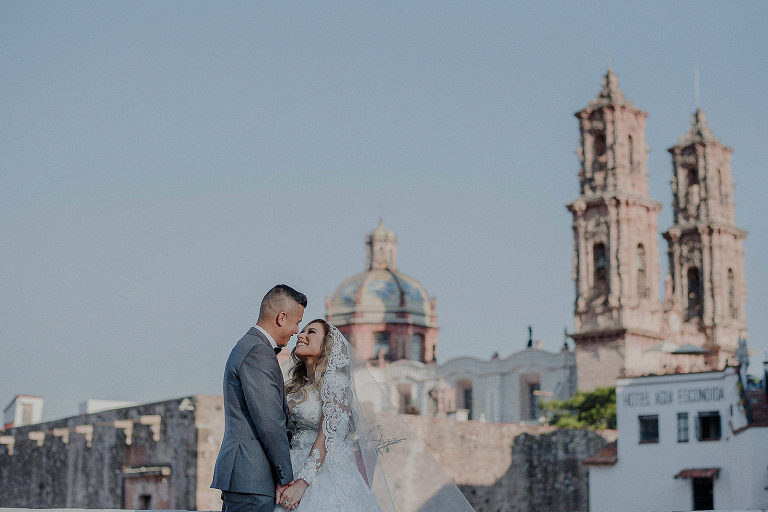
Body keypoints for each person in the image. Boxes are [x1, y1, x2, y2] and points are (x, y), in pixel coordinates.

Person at [211, 284, 307, 512]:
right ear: (281, 318)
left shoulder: (251, 346)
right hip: (252, 478)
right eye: (297, 322)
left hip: (249, 480)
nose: (296, 331)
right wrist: (286, 478)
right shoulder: (258, 352)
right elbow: (270, 421)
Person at [275, 319, 382, 511]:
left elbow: (327, 436)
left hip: (322, 474)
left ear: (326, 345)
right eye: (302, 331)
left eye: (311, 332)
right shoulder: (296, 388)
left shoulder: (336, 383)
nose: (301, 335)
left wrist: (302, 483)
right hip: (292, 468)